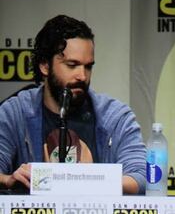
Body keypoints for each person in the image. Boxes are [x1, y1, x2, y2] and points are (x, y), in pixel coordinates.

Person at [0, 15, 146, 194]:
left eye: (88, 66)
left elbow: (141, 176)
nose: (82, 76)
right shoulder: (16, 112)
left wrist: (86, 179)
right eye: (72, 65)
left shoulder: (115, 116)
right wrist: (9, 179)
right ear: (45, 65)